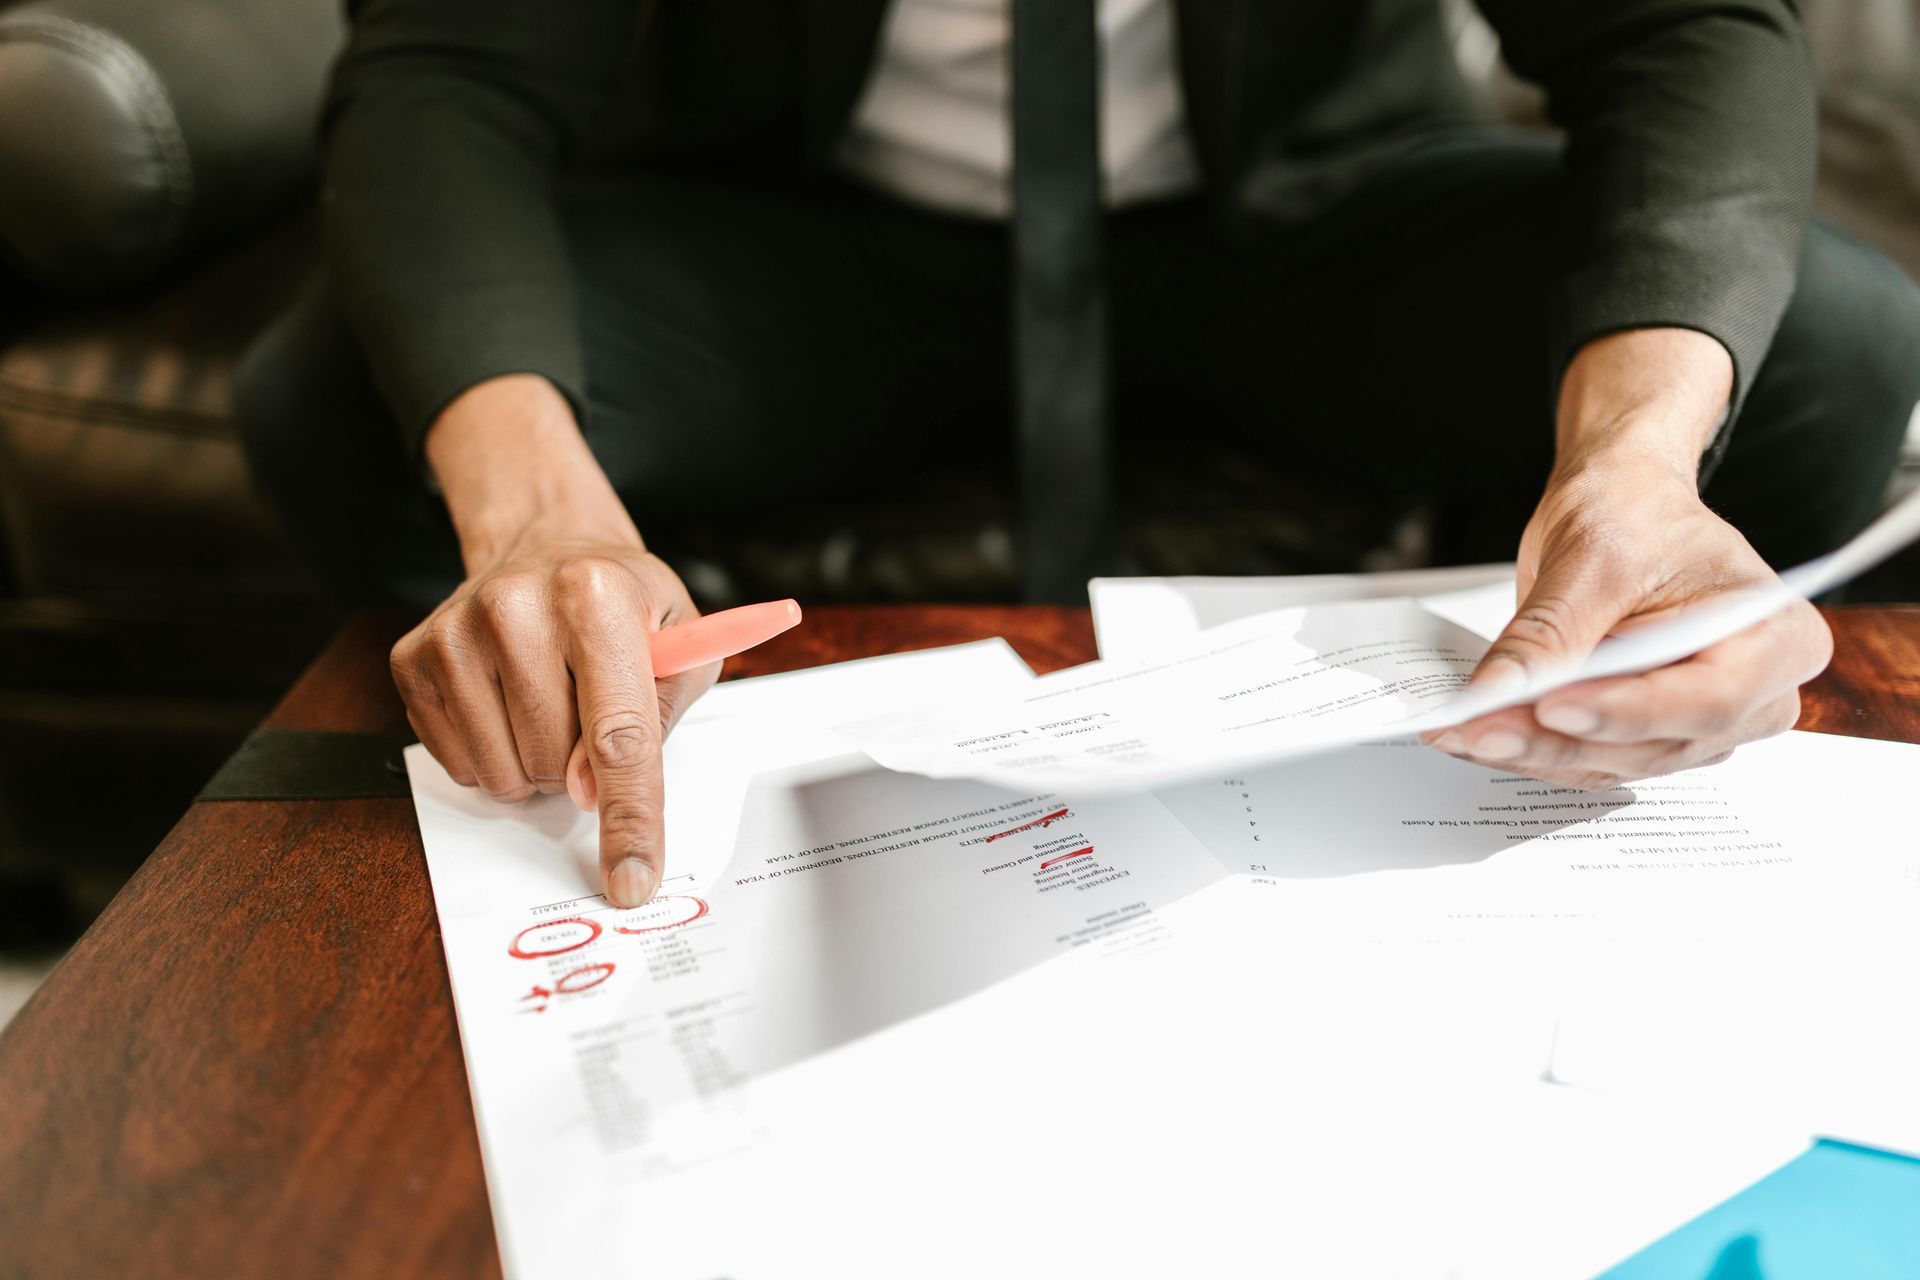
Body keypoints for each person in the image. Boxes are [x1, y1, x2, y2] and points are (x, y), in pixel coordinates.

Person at [239, 0, 1920, 909]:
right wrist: (539, 521)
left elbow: (1682, 27)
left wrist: (1636, 458)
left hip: (1300, 227)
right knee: (350, 389)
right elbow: (447, 70)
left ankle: (1563, 838)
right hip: (829, 248)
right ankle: (557, 885)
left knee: (1825, 347)